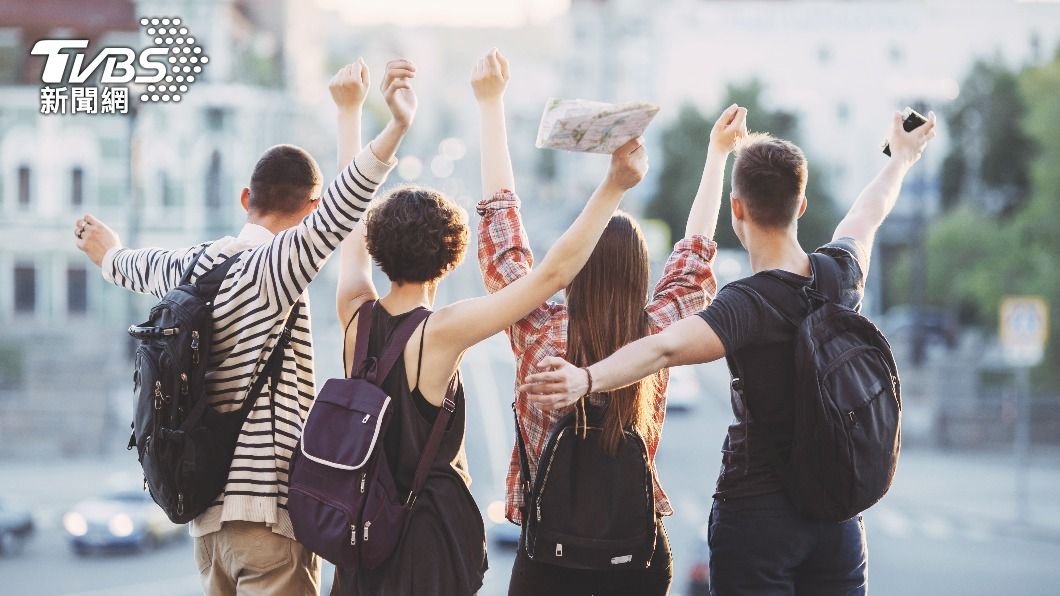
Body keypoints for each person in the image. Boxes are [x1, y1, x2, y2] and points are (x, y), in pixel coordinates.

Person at [521, 110, 938, 595]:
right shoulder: (840, 274)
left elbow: (662, 349)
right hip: (838, 517)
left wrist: (586, 379)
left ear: (737, 209)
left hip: (759, 518)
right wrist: (901, 158)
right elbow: (867, 214)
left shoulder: (747, 304)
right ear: (800, 206)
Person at [72, 59, 413, 596]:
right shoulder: (274, 268)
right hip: (266, 520)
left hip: (207, 524)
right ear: (309, 210)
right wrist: (394, 126)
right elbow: (347, 206)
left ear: (244, 200)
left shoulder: (194, 264)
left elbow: (131, 265)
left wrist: (107, 251)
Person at [326, 52, 651, 596]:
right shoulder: (441, 332)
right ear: (451, 259)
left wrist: (351, 114)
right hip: (421, 546)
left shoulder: (353, 312)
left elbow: (347, 221)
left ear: (380, 251)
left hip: (360, 540)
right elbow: (553, 274)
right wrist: (613, 187)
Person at [473, 49, 743, 595]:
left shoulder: (540, 332)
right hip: (634, 559)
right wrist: (717, 155)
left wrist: (491, 102)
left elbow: (501, 228)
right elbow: (695, 257)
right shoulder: (655, 339)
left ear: (573, 271)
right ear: (640, 274)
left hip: (547, 560)